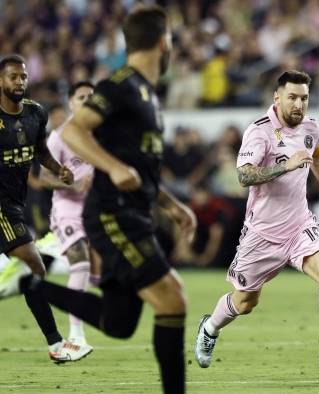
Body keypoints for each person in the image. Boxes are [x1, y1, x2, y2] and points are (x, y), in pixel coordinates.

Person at [0, 6, 196, 393]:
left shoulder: (146, 94)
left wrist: (172, 205)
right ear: (163, 42)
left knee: (119, 323)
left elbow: (141, 168)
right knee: (173, 299)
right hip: (114, 214)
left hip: (135, 211)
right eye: (171, 38)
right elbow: (74, 133)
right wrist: (112, 168)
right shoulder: (120, 88)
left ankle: (30, 284)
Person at [194, 70, 319, 368]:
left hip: (299, 225)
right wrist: (286, 166)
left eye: (304, 98)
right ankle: (209, 328)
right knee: (245, 303)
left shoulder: (312, 128)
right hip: (262, 234)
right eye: (292, 97)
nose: (299, 104)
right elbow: (244, 176)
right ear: (277, 97)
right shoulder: (259, 131)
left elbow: (317, 159)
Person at [0, 54, 92, 363]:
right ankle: (56, 343)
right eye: (13, 76)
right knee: (34, 265)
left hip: (15, 203)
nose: (20, 82)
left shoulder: (35, 114)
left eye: (23, 76)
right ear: (1, 81)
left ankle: (55, 344)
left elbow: (40, 153)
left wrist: (59, 169)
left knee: (30, 271)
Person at [37, 81, 97, 348]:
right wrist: (71, 184)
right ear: (71, 102)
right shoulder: (59, 137)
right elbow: (44, 176)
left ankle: (27, 269)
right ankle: (76, 334)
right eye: (81, 96)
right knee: (79, 261)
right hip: (68, 211)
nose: (87, 100)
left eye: (91, 97)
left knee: (101, 275)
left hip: (97, 213)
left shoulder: (104, 136)